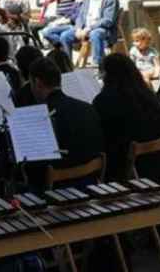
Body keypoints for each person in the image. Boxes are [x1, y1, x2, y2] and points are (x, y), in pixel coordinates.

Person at [28, 58, 105, 186]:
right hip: (91, 184)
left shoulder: (40, 116)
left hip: (59, 189)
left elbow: (35, 168)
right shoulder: (88, 108)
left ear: (37, 82)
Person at [94, 54, 160, 182]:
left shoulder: (105, 101)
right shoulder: (147, 95)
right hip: (157, 167)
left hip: (128, 171)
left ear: (107, 75)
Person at [54, 0, 119, 68]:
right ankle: (68, 65)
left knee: (95, 34)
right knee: (65, 36)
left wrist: (89, 28)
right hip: (85, 29)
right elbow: (80, 17)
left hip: (104, 29)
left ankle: (98, 65)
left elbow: (108, 20)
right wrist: (78, 28)